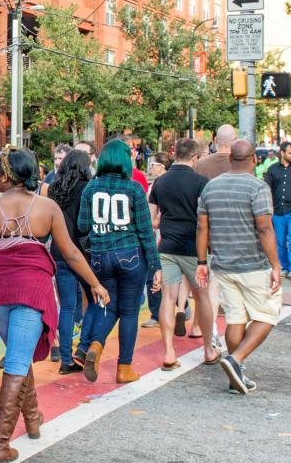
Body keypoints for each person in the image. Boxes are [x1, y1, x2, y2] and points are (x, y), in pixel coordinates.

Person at [0, 149, 107, 463]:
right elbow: (70, 253)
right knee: (18, 357)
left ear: (5, 176)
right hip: (32, 290)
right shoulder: (47, 208)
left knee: (18, 352)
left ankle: (33, 419)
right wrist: (94, 283)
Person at [195, 140, 281, 396]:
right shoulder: (258, 187)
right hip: (253, 263)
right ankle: (236, 359)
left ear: (230, 158)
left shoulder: (211, 187)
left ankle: (236, 374)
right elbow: (264, 227)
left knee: (235, 318)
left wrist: (202, 262)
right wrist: (276, 264)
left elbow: (202, 228)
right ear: (254, 159)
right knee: (268, 314)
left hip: (222, 263)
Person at [74, 138, 161, 384]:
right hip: (131, 254)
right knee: (130, 311)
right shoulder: (133, 189)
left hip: (101, 257)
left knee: (109, 305)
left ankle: (96, 346)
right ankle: (124, 367)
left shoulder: (91, 188)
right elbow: (145, 231)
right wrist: (155, 267)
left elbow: (82, 226)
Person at [151, 138, 216, 370]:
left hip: (167, 247)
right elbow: (206, 219)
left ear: (175, 154)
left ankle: (169, 352)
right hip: (193, 247)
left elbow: (153, 221)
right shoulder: (201, 182)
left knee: (168, 298)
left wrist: (167, 221)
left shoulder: (160, 182)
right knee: (202, 297)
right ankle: (208, 349)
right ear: (195, 157)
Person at [46, 148, 93, 373]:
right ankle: (83, 350)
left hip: (59, 251)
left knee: (66, 306)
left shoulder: (54, 189)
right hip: (83, 252)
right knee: (92, 300)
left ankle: (66, 359)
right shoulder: (87, 189)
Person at [264, 141, 291, 281]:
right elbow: (267, 191)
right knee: (280, 240)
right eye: (290, 153)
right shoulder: (272, 169)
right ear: (282, 153)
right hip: (277, 210)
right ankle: (283, 267)